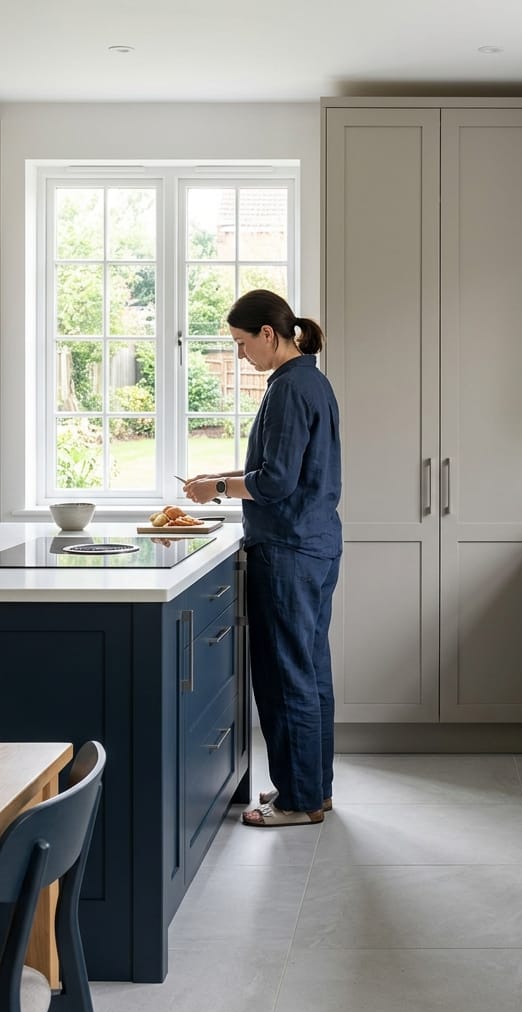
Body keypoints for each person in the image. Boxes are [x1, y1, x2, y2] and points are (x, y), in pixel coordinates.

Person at [183, 289, 341, 827]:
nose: (240, 355)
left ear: (268, 335)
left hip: (287, 550)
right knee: (311, 671)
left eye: (241, 343)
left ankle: (297, 801)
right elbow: (280, 469)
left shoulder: (289, 389)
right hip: (315, 545)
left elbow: (274, 482)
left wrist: (220, 490)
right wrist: (221, 479)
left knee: (283, 675)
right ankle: (312, 790)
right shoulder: (311, 382)